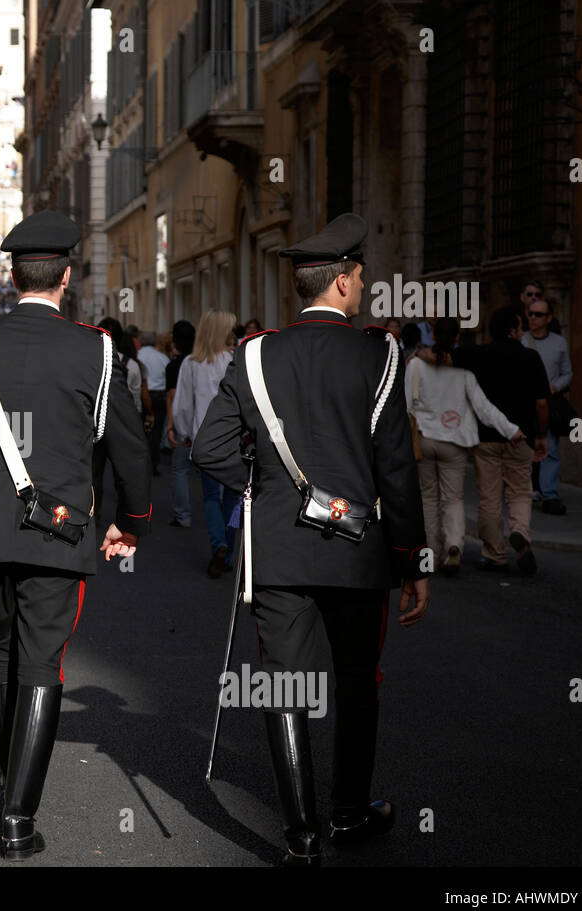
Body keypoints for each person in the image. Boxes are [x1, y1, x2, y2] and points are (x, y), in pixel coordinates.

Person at [194, 213, 429, 866]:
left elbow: (208, 448)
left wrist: (272, 486)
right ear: (349, 282)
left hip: (278, 550)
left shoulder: (255, 353)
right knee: (358, 682)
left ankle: (299, 836)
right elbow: (396, 468)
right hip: (359, 549)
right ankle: (349, 815)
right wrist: (413, 559)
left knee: (283, 685)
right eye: (363, 277)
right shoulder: (379, 354)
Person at [0, 210, 152, 861]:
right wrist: (129, 522)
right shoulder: (98, 349)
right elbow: (128, 447)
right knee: (42, 662)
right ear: (67, 276)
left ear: (11, 273)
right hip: (59, 529)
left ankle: (8, 779)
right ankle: (18, 816)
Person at [406, 316, 521, 576]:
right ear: (457, 337)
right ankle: (454, 545)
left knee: (427, 499)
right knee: (453, 498)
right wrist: (511, 429)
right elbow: (483, 407)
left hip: (424, 439)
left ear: (433, 336)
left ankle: (430, 554)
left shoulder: (415, 366)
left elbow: (407, 405)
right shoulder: (465, 369)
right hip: (455, 441)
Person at [448, 308, 550, 575]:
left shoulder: (477, 355)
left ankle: (495, 553)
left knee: (489, 497)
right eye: (520, 326)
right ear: (512, 330)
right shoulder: (531, 358)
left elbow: (445, 355)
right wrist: (541, 435)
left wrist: (419, 353)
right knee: (519, 491)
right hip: (521, 436)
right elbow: (541, 403)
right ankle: (519, 533)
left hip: (486, 438)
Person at [172, 309, 239, 576]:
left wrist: (184, 432)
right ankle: (230, 551)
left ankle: (219, 544)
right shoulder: (234, 361)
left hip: (204, 440)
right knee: (233, 500)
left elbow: (183, 406)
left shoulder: (191, 363)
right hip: (233, 440)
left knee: (211, 497)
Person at [521, 298, 572, 515]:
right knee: (524, 447)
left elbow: (568, 373)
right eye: (530, 313)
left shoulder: (559, 343)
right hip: (524, 402)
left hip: (548, 404)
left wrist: (555, 387)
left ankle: (549, 494)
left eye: (538, 314)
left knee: (549, 447)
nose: (532, 318)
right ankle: (525, 490)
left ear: (548, 318)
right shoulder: (522, 340)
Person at [164, 320, 196, 527]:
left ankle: (182, 515)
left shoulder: (175, 365)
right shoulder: (200, 361)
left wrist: (170, 426)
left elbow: (172, 397)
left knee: (179, 469)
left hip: (183, 423)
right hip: (203, 422)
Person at [136, 330, 169, 475]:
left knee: (140, 431)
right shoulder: (162, 357)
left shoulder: (137, 357)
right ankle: (153, 462)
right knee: (155, 432)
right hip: (159, 396)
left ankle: (141, 462)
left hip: (142, 395)